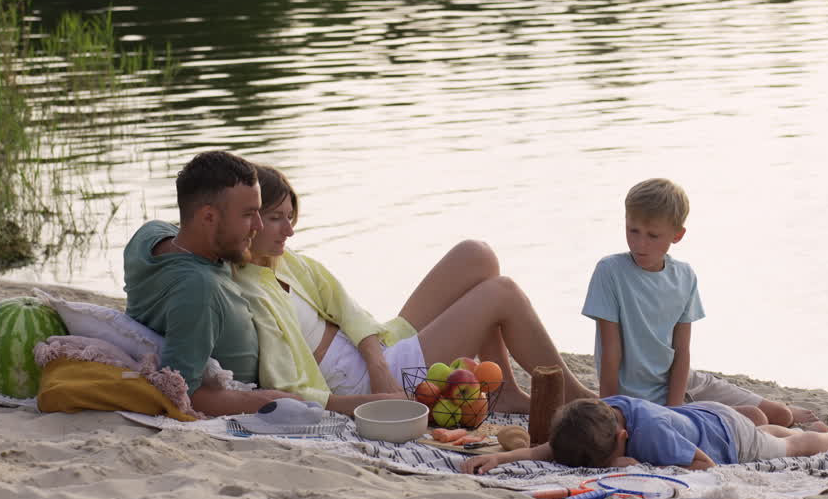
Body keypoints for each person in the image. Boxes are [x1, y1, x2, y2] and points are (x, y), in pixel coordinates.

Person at [235, 165, 595, 414]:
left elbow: (348, 310)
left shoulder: (286, 260)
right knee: (502, 293)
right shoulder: (250, 294)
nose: (290, 230)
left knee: (476, 255)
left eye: (290, 217)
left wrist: (377, 362)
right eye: (277, 218)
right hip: (363, 384)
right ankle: (574, 394)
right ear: (251, 220)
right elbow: (289, 388)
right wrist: (373, 392)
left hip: (379, 353)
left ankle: (504, 392)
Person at [582, 178, 819, 429]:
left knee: (781, 415)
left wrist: (674, 410)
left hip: (683, 381)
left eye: (653, 235)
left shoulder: (685, 276)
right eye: (633, 231)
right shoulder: (610, 271)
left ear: (677, 235)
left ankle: (777, 413)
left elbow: (682, 350)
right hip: (640, 397)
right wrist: (611, 413)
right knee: (756, 419)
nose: (640, 244)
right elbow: (611, 352)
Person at [123, 151, 296, 416]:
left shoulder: (150, 235)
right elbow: (182, 393)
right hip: (270, 380)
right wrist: (270, 400)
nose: (258, 225)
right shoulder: (199, 289)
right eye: (249, 214)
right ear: (208, 217)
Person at [463, 396, 828, 474]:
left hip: (728, 439)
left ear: (623, 436)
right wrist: (501, 457)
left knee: (786, 446)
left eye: (607, 459)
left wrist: (641, 466)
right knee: (762, 430)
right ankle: (804, 427)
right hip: (705, 418)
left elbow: (704, 465)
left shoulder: (653, 437)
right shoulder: (598, 414)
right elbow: (551, 449)